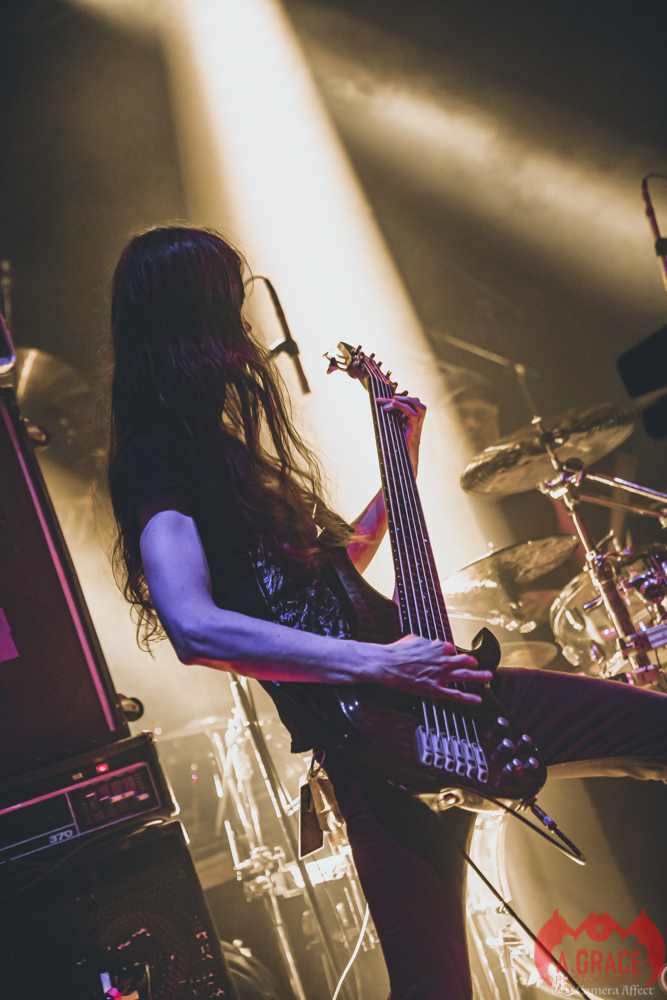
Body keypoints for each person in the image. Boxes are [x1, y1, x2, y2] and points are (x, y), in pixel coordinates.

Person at [108, 226, 667, 1000]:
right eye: (226, 307)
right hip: (372, 744)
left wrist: (398, 458)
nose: (243, 330)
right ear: (185, 319)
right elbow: (192, 626)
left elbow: (332, 573)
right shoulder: (157, 457)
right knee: (433, 985)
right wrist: (383, 661)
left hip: (435, 702)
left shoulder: (225, 451)